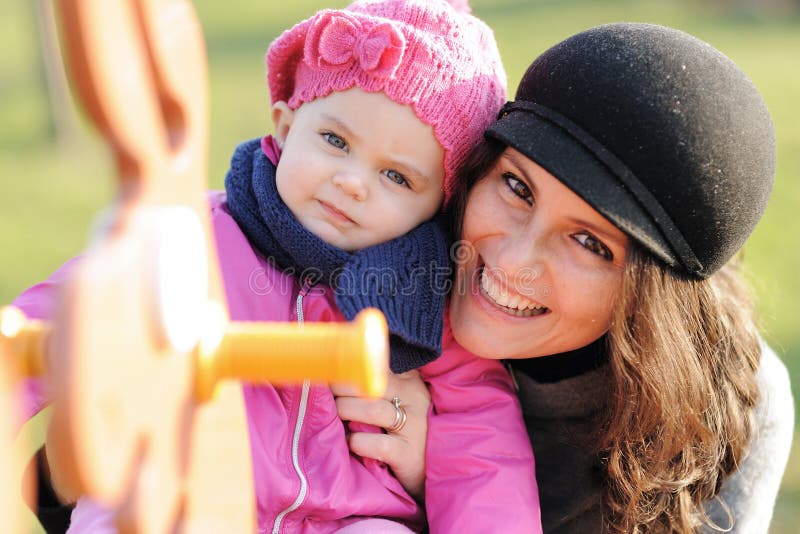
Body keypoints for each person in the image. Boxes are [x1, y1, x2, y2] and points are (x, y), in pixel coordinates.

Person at [14, 0, 542, 532]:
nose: (352, 181)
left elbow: (484, 441)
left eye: (397, 177)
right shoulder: (197, 233)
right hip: (192, 490)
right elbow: (60, 316)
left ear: (439, 207)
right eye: (335, 141)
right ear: (285, 126)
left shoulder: (424, 298)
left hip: (345, 516)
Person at [338, 22, 795, 533]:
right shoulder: (365, 280)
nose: (512, 261)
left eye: (589, 243)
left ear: (653, 298)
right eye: (516, 187)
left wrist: (439, 485)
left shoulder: (728, 409)